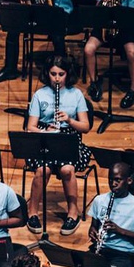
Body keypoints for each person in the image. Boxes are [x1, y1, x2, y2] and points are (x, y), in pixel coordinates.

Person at [25, 54, 93, 236]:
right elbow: (30, 127)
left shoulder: (76, 94)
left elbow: (85, 127)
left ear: (67, 74)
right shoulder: (40, 94)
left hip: (69, 140)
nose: (56, 78)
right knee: (43, 170)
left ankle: (73, 213)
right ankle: (32, 211)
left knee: (67, 170)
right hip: (45, 139)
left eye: (61, 74)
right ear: (47, 73)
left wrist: (69, 120)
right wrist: (45, 132)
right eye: (53, 74)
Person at [84, 0, 134, 109]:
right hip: (105, 26)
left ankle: (132, 90)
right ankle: (94, 83)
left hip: (126, 28)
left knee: (132, 53)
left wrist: (119, 8)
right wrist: (102, 1)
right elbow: (97, 9)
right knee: (88, 49)